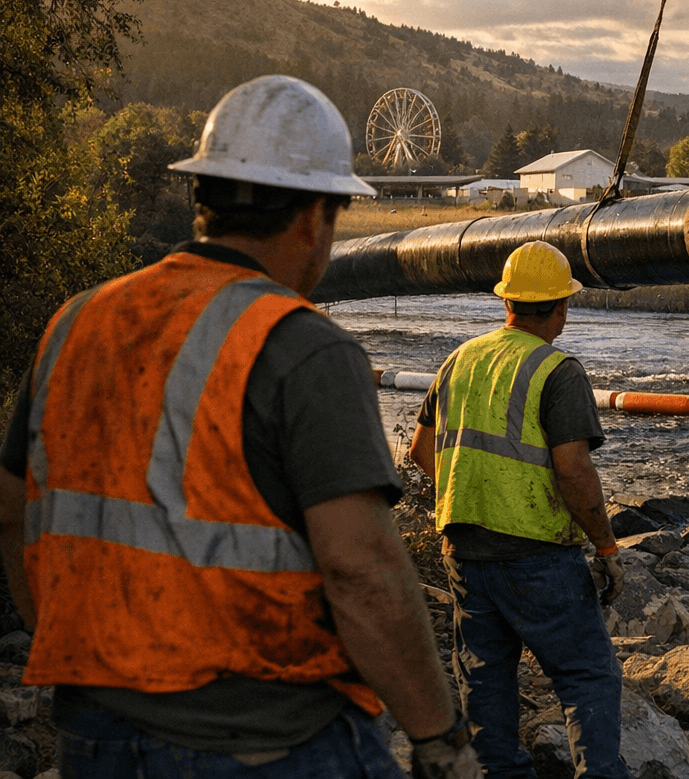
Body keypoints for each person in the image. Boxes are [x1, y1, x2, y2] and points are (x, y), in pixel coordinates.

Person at [0, 76, 478, 778]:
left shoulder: (77, 322)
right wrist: (438, 734)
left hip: (96, 730)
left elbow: (12, 516)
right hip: (269, 739)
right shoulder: (304, 347)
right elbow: (361, 572)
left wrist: (90, 661)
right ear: (315, 218)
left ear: (202, 199)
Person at [408, 241, 630, 779]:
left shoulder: (460, 359)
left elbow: (420, 451)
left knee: (484, 674)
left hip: (465, 547)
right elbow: (574, 471)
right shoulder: (558, 370)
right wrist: (605, 546)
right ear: (561, 307)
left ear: (507, 302)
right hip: (537, 553)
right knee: (586, 675)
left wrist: (476, 491)